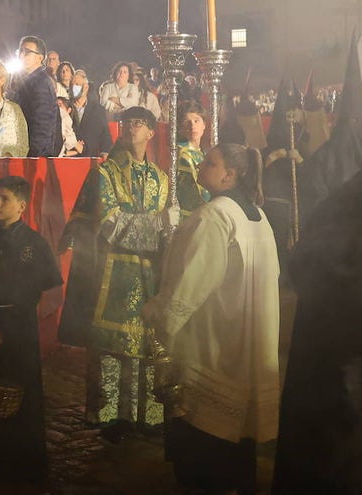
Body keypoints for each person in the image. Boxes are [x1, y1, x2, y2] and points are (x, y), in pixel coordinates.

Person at [144, 144, 281, 495]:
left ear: (229, 175)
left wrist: (158, 318)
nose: (201, 166)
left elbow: (190, 285)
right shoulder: (257, 215)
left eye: (210, 162)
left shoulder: (214, 215)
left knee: (206, 452)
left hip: (212, 349)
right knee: (238, 449)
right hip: (246, 346)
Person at [86, 106, 173, 436]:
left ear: (151, 132)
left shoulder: (164, 180)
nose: (130, 127)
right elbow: (110, 224)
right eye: (126, 122)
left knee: (148, 342)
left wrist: (171, 232)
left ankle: (145, 414)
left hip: (152, 273)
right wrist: (160, 225)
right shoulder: (104, 174)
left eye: (138, 123)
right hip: (114, 272)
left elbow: (171, 233)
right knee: (114, 342)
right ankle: (112, 416)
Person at [0, 176, 63, 483]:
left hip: (19, 328)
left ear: (22, 207)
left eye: (5, 199)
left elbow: (42, 293)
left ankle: (23, 466)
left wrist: (9, 331)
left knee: (20, 394)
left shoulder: (34, 244)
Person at [11, 35, 63, 158]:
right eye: (20, 51)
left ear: (40, 58)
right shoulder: (25, 80)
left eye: (27, 52)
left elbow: (42, 124)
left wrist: (34, 157)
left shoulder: (41, 83)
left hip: (34, 154)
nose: (22, 55)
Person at [0, 60, 29, 158]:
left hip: (7, 168)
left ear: (2, 80)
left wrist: (9, 157)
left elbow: (23, 143)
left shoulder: (14, 109)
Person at [175, 100, 211, 217]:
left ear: (204, 125)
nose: (192, 126)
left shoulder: (204, 153)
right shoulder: (181, 153)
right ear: (180, 127)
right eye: (187, 122)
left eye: (196, 121)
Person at [72, 69, 113, 157]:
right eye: (71, 85)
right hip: (68, 159)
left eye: (77, 85)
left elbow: (105, 134)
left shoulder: (98, 110)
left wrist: (105, 151)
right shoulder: (64, 108)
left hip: (90, 159)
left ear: (86, 87)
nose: (73, 88)